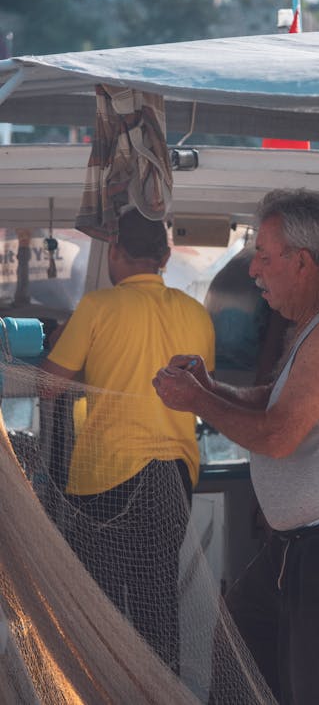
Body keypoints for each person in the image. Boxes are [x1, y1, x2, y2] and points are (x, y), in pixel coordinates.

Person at [152, 188, 319, 704]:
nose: (254, 271)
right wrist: (209, 387)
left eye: (264, 258)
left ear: (301, 262)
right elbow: (272, 401)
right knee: (239, 663)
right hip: (301, 544)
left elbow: (276, 436)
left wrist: (197, 403)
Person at [41, 207, 215, 671]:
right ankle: (161, 693)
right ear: (166, 255)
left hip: (108, 476)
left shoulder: (98, 307)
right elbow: (206, 392)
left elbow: (48, 385)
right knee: (156, 600)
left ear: (115, 251)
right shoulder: (197, 314)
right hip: (177, 477)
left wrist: (57, 345)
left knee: (99, 602)